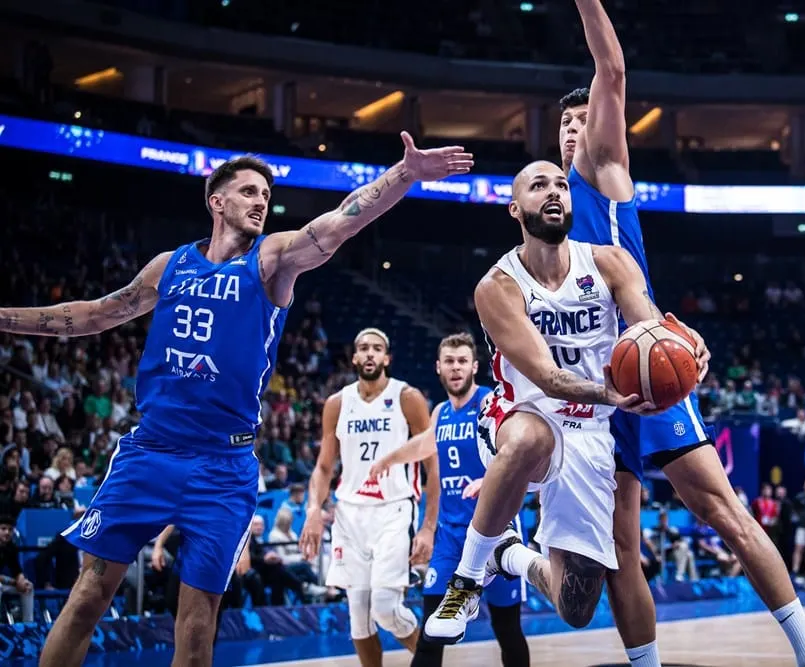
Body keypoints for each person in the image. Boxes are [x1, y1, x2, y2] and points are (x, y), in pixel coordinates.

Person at [0, 132, 472, 667]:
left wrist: (404, 174)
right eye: (248, 192)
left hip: (224, 468)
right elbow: (94, 314)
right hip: (151, 450)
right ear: (216, 201)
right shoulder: (169, 266)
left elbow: (341, 221)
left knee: (197, 628)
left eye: (266, 196)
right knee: (88, 594)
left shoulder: (272, 262)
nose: (261, 202)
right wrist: (5, 319)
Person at [559, 2, 805, 665]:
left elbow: (613, 69)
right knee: (619, 548)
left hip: (646, 369)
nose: (575, 129)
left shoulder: (604, 172)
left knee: (725, 513)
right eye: (564, 124)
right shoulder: (555, 220)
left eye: (583, 118)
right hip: (597, 392)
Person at [422, 160, 670, 644]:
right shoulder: (497, 286)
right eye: (539, 185)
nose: (554, 191)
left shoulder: (610, 263)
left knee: (575, 606)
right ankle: (467, 580)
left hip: (591, 432)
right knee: (531, 435)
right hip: (518, 413)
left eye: (560, 184)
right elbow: (548, 377)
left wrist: (679, 347)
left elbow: (648, 329)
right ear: (516, 209)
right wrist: (610, 393)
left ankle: (509, 555)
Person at [368, 332, 531, 666]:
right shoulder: (441, 411)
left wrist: (490, 478)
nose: (455, 368)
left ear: (474, 366)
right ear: (438, 367)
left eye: (461, 361)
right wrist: (389, 459)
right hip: (450, 537)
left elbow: (517, 452)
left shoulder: (490, 404)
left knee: (507, 628)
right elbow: (427, 443)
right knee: (432, 633)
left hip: (495, 532)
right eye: (449, 362)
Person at [299, 328, 437, 667]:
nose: (370, 353)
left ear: (387, 358)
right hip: (349, 513)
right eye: (364, 348)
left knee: (387, 610)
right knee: (358, 618)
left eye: (377, 348)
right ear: (355, 358)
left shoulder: (407, 397)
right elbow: (323, 467)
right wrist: (314, 509)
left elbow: (433, 464)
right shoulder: (336, 404)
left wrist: (428, 527)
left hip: (394, 509)